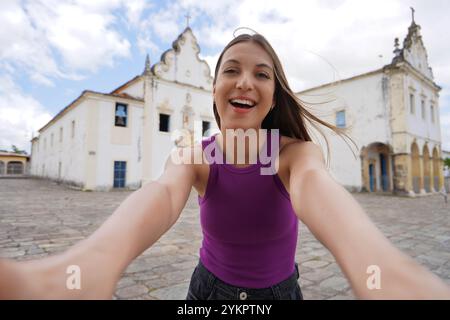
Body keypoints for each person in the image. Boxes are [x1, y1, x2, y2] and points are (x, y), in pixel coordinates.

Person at [1, 32, 450, 300]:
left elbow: (321, 192)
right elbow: (160, 193)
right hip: (206, 293)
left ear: (274, 94)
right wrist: (94, 261)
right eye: (231, 70)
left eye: (261, 73)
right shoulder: (200, 154)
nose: (244, 81)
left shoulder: (294, 155)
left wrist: (382, 272)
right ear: (215, 88)